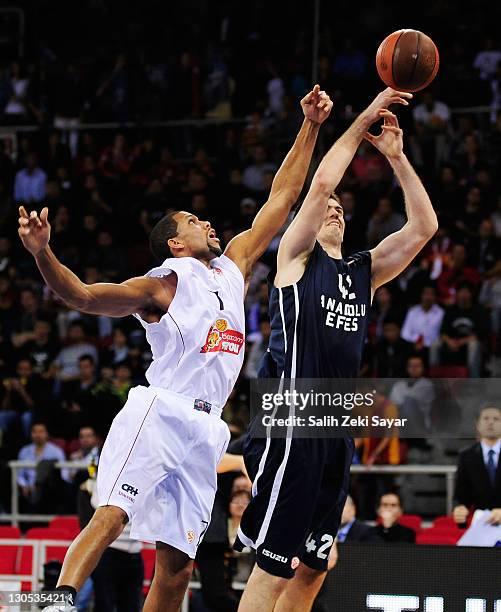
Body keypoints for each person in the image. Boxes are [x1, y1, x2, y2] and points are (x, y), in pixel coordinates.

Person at [18, 84, 333, 612]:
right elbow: (85, 296)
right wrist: (43, 253)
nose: (206, 222)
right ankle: (50, 604)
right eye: (192, 220)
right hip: (161, 410)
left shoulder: (233, 266)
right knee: (113, 515)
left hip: (209, 428)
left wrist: (311, 126)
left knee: (178, 564)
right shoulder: (164, 283)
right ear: (175, 242)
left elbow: (280, 199)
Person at [236, 89, 438, 612]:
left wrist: (396, 157)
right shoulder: (296, 259)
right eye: (323, 206)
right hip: (290, 421)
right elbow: (323, 180)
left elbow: (423, 228)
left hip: (333, 427)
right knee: (274, 569)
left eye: (338, 209)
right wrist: (366, 118)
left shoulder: (361, 274)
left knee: (315, 566)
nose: (331, 207)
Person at [453, 405, 501, 526]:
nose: (490, 422)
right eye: (486, 418)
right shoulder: (466, 456)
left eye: (496, 419)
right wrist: (460, 509)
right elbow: (461, 495)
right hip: (481, 524)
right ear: (478, 426)